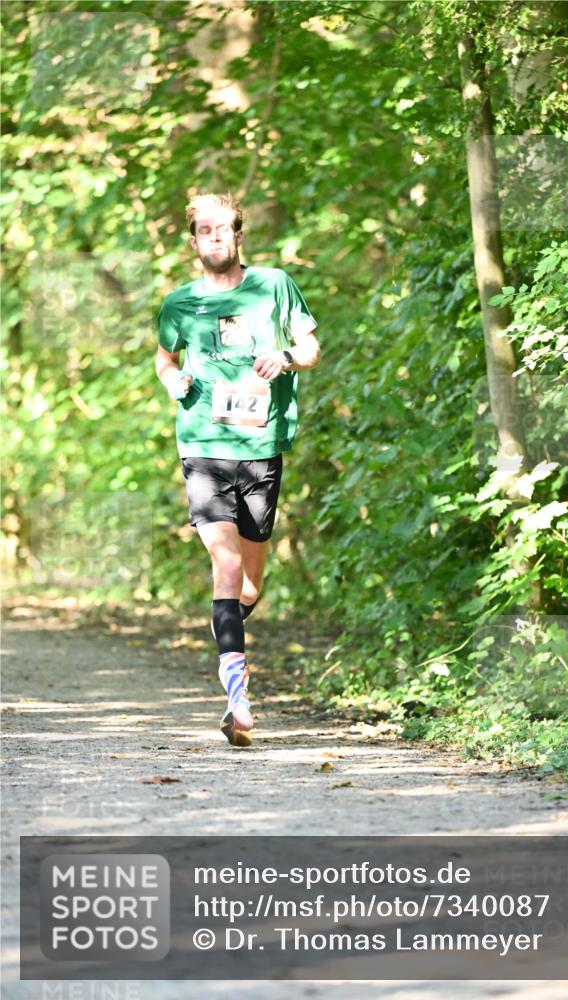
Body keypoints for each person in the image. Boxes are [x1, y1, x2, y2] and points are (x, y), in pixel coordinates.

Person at [155, 192, 320, 748]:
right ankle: (238, 702)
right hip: (203, 443)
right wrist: (173, 380)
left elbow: (311, 347)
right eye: (205, 230)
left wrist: (287, 357)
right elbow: (164, 357)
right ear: (194, 240)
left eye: (223, 229)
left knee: (250, 582)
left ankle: (235, 615)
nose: (215, 238)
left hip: (261, 444)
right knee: (224, 563)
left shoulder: (274, 285)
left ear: (239, 235)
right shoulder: (179, 303)